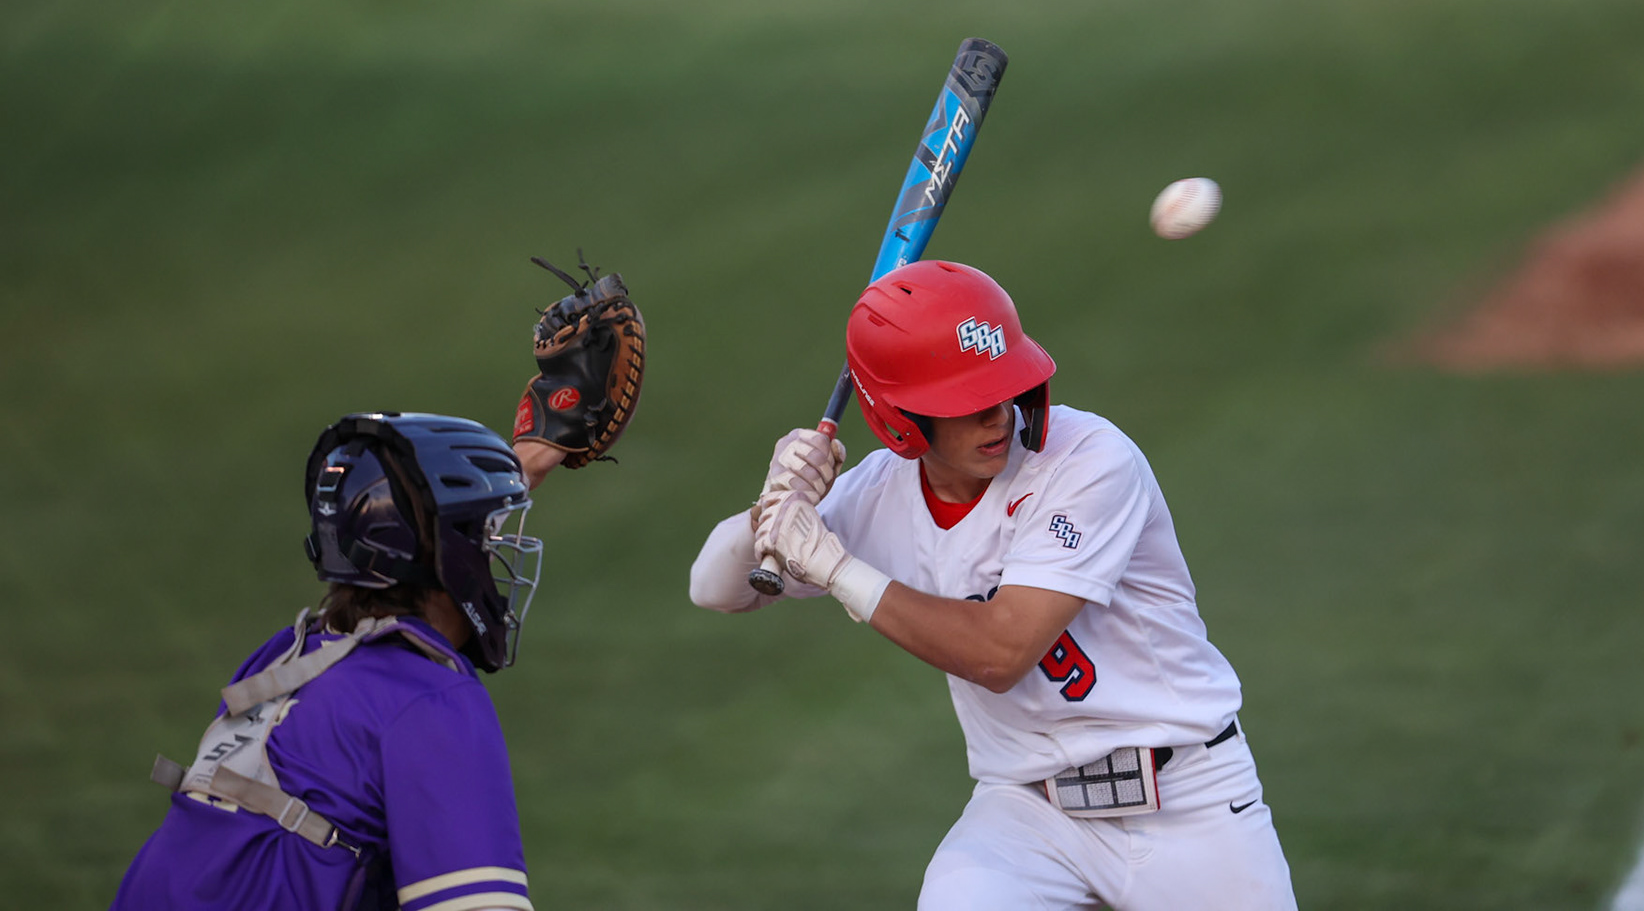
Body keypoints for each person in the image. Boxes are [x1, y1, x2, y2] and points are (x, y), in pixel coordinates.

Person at [690, 260, 1299, 909]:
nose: (999, 416)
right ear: (900, 419)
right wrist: (769, 510)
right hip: (1028, 815)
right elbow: (716, 587)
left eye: (1005, 387)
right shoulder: (878, 496)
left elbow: (1000, 653)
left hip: (1188, 802)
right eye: (967, 403)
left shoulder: (1090, 460)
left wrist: (839, 571)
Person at [113, 415, 563, 911]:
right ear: (454, 557)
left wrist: (511, 467)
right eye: (488, 536)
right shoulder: (429, 703)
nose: (496, 555)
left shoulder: (284, 658)